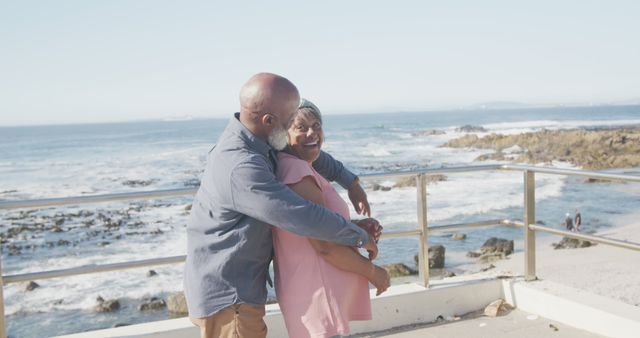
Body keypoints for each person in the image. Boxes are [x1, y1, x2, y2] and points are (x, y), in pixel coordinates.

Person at [184, 73, 380, 338]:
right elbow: (301, 216)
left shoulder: (258, 140)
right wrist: (359, 237)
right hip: (230, 297)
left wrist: (351, 182)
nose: (293, 127)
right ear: (270, 121)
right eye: (291, 120)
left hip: (236, 290)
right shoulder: (242, 165)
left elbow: (308, 153)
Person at [273, 99, 390, 338]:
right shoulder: (297, 172)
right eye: (301, 127)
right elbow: (325, 245)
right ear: (283, 135)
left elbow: (316, 226)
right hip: (317, 295)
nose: (311, 133)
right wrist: (373, 272)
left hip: (316, 294)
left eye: (316, 125)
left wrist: (354, 225)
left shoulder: (299, 166)